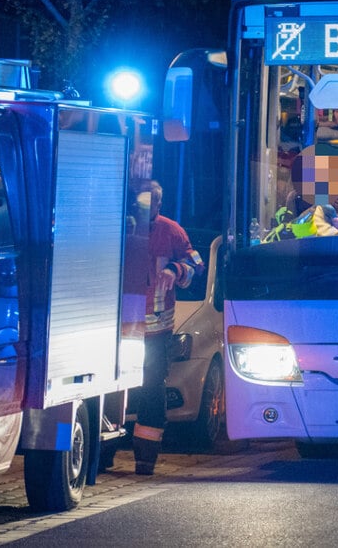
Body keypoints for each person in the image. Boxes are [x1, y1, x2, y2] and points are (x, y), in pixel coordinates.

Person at [133, 181, 204, 475]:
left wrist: (176, 270)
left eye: (152, 207)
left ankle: (145, 460)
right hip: (124, 330)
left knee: (151, 393)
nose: (147, 212)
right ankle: (105, 456)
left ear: (160, 206)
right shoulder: (124, 228)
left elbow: (196, 262)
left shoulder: (171, 231)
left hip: (156, 333)